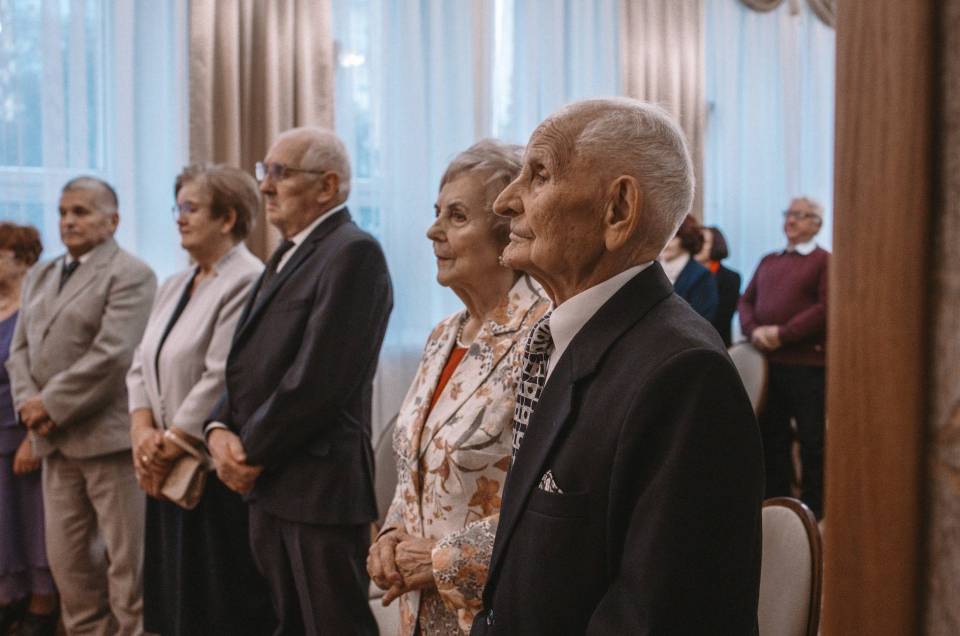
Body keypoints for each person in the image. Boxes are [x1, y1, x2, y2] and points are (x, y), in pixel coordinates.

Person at [471, 98, 763, 635]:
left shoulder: (683, 374)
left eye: (539, 175)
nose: (505, 201)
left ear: (618, 210)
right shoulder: (569, 336)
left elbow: (658, 618)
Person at [204, 127, 393, 635]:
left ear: (327, 186)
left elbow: (318, 382)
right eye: (264, 171)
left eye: (280, 173)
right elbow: (248, 364)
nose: (265, 185)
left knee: (333, 627)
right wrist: (217, 428)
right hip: (273, 483)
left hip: (318, 488)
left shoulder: (354, 252)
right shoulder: (289, 251)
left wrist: (247, 452)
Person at [366, 140, 550, 635]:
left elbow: (551, 505)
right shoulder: (443, 335)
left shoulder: (546, 335)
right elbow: (415, 464)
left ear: (508, 232)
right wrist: (390, 535)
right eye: (436, 213)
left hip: (497, 614)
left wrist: (442, 560)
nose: (433, 231)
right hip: (419, 612)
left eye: (457, 216)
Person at [125, 164, 275, 635]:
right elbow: (140, 364)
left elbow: (221, 374)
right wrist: (141, 431)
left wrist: (170, 443)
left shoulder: (247, 279)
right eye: (178, 208)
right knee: (172, 605)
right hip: (163, 466)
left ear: (227, 218)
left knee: (212, 607)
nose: (180, 218)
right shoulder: (175, 283)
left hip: (207, 470)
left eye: (190, 208)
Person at [5, 177, 156, 635]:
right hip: (54, 444)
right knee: (69, 567)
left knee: (127, 568)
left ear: (113, 220)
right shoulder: (43, 274)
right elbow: (18, 350)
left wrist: (50, 403)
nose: (68, 221)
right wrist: (28, 404)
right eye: (63, 212)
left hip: (108, 442)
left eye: (81, 212)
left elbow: (113, 353)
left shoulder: (131, 274)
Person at [738, 197, 829, 519]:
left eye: (800, 216)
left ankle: (813, 510)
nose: (791, 220)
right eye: (788, 214)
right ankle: (778, 505)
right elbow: (745, 301)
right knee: (771, 437)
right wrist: (753, 331)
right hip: (768, 366)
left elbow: (824, 308)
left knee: (811, 440)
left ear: (817, 224)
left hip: (807, 367)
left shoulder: (823, 261)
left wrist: (783, 334)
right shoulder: (769, 261)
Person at [0, 223, 57, 636]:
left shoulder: (37, 309)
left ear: (22, 259)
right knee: (4, 527)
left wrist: (33, 440)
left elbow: (46, 378)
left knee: (33, 527)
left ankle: (42, 606)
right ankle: (10, 599)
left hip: (22, 435)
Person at [659, 214, 718, 320]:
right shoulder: (653, 271)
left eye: (672, 238)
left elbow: (701, 320)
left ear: (686, 239)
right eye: (662, 236)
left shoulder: (701, 276)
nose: (665, 244)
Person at [696, 226, 742, 347]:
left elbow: (722, 320)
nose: (697, 246)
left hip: (716, 345)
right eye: (696, 241)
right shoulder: (686, 275)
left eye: (703, 241)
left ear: (715, 245)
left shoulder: (731, 278)